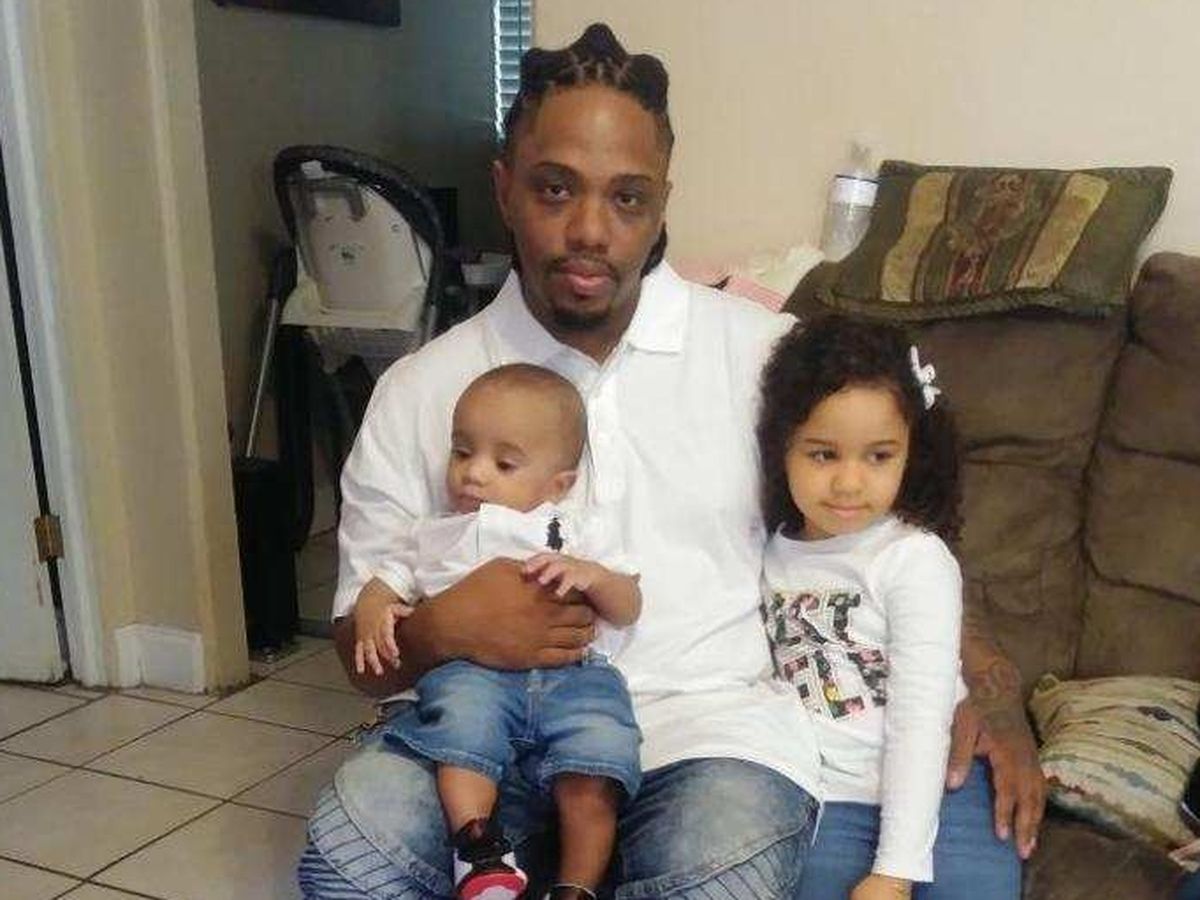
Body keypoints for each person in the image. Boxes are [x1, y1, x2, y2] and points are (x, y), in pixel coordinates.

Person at [298, 22, 1044, 900]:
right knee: (350, 856)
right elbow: (357, 649)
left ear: (662, 203)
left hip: (707, 735)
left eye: (628, 198)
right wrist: (442, 629)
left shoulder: (765, 357)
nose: (590, 230)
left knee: (720, 862)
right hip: (476, 735)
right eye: (554, 188)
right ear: (504, 187)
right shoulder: (420, 390)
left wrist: (990, 693)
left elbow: (885, 537)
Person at [351, 363, 642, 900]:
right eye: (462, 453)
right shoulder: (435, 533)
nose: (474, 474)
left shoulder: (574, 530)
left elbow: (628, 606)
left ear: (559, 485)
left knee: (597, 764)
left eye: (504, 464)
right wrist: (372, 609)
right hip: (473, 674)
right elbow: (385, 581)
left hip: (575, 678)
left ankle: (577, 887)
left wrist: (594, 577)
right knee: (460, 737)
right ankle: (478, 850)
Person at [757, 317, 1021, 900]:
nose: (849, 483)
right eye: (823, 454)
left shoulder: (915, 559)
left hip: (943, 788)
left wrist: (895, 872)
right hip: (825, 796)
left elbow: (920, 718)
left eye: (878, 456)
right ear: (783, 448)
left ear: (910, 454)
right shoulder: (766, 553)